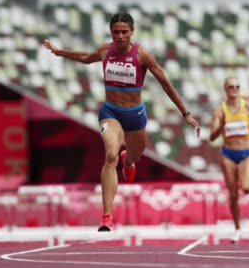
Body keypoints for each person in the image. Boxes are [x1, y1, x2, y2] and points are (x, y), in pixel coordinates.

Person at [43, 12, 200, 232]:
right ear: (111, 32)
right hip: (111, 113)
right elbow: (87, 58)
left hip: (135, 116)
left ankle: (128, 161)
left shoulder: (143, 55)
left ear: (132, 32)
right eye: (116, 32)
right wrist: (60, 52)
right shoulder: (106, 50)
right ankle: (107, 216)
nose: (119, 36)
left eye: (124, 32)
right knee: (109, 156)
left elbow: (165, 84)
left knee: (134, 155)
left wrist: (186, 113)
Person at [209, 77, 249, 243]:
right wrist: (222, 125)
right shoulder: (219, 110)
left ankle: (245, 176)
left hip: (246, 152)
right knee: (233, 195)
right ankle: (237, 228)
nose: (234, 89)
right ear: (225, 89)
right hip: (228, 154)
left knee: (247, 188)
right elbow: (212, 137)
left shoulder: (247, 106)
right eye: (230, 87)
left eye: (237, 87)